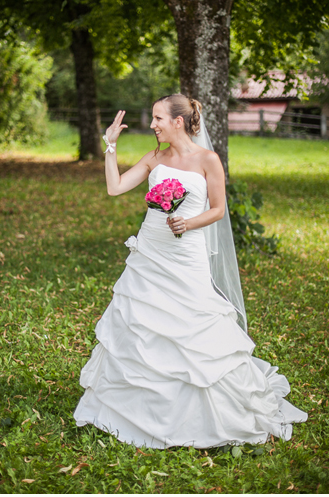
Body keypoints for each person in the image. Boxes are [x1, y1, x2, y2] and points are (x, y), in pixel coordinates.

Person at [73, 94, 307, 449]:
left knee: (193, 324)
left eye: (158, 118)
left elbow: (217, 209)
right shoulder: (155, 157)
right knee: (141, 321)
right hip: (150, 252)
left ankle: (211, 411)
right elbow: (115, 187)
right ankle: (136, 407)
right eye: (153, 119)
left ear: (178, 121)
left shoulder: (208, 160)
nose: (153, 125)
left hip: (186, 253)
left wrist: (188, 222)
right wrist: (110, 145)